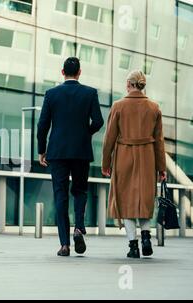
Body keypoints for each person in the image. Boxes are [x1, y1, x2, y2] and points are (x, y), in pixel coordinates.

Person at [37, 57, 104, 257]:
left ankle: (64, 245)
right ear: (80, 72)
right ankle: (79, 228)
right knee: (80, 190)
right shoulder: (90, 93)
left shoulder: (51, 94)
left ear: (62, 71)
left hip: (57, 152)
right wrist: (85, 134)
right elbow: (99, 121)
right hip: (81, 151)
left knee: (60, 195)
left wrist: (42, 150)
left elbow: (42, 126)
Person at [102, 70, 166, 259]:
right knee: (144, 199)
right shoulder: (154, 108)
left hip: (124, 156)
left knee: (126, 200)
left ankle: (133, 246)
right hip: (148, 157)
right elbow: (159, 141)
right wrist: (161, 168)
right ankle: (146, 236)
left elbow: (109, 140)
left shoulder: (118, 106)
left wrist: (106, 163)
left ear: (129, 84)